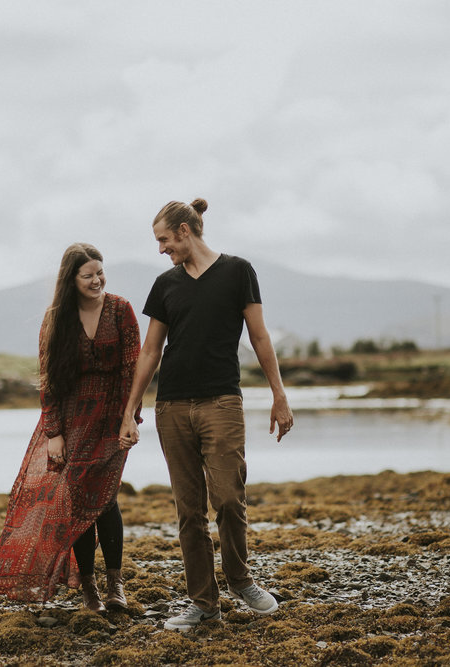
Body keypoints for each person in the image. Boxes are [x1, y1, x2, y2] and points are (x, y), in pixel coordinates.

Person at [119, 198, 294, 631]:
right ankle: (204, 604)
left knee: (230, 499)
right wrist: (130, 407)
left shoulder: (238, 271)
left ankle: (240, 579)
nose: (161, 249)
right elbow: (150, 350)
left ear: (183, 230)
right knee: (189, 511)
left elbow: (258, 336)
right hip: (172, 407)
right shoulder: (165, 284)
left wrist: (279, 395)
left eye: (163, 239)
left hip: (221, 402)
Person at [0, 243, 142, 612]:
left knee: (106, 499)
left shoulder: (121, 310)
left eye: (100, 272)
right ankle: (89, 588)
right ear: (71, 279)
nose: (96, 280)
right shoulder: (57, 317)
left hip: (111, 419)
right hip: (72, 423)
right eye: (87, 275)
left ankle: (115, 586)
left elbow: (132, 369)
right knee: (77, 503)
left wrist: (129, 417)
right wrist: (53, 434)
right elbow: (49, 380)